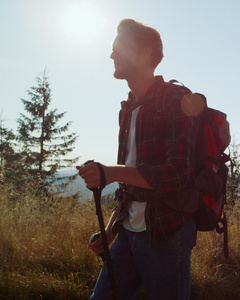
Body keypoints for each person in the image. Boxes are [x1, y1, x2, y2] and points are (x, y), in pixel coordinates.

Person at [78, 18, 202, 299]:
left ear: (147, 52)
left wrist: (111, 171)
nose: (112, 55)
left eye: (120, 47)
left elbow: (176, 174)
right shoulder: (128, 108)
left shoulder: (178, 100)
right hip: (128, 233)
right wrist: (110, 231)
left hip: (166, 232)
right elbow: (129, 183)